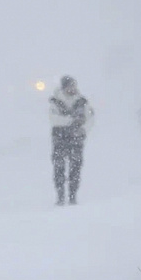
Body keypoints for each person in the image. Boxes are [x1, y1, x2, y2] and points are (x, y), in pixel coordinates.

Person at [49, 75, 94, 205]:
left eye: (74, 86)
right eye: (69, 86)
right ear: (64, 88)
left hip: (77, 138)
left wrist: (83, 129)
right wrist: (71, 122)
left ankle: (73, 195)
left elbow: (90, 118)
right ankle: (60, 196)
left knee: (75, 168)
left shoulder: (82, 102)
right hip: (60, 138)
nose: (72, 89)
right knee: (59, 167)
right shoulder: (55, 102)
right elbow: (53, 119)